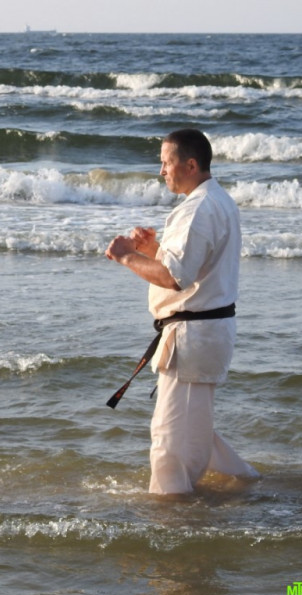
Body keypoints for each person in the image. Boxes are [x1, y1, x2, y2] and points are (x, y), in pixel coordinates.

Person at [105, 128, 259, 496]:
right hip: (206, 332)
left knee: (170, 441)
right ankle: (246, 485)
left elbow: (174, 278)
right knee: (194, 429)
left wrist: (126, 256)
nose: (161, 171)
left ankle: (172, 512)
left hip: (193, 336)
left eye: (166, 162)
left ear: (190, 165)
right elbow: (193, 268)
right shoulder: (218, 200)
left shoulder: (196, 209)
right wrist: (153, 250)